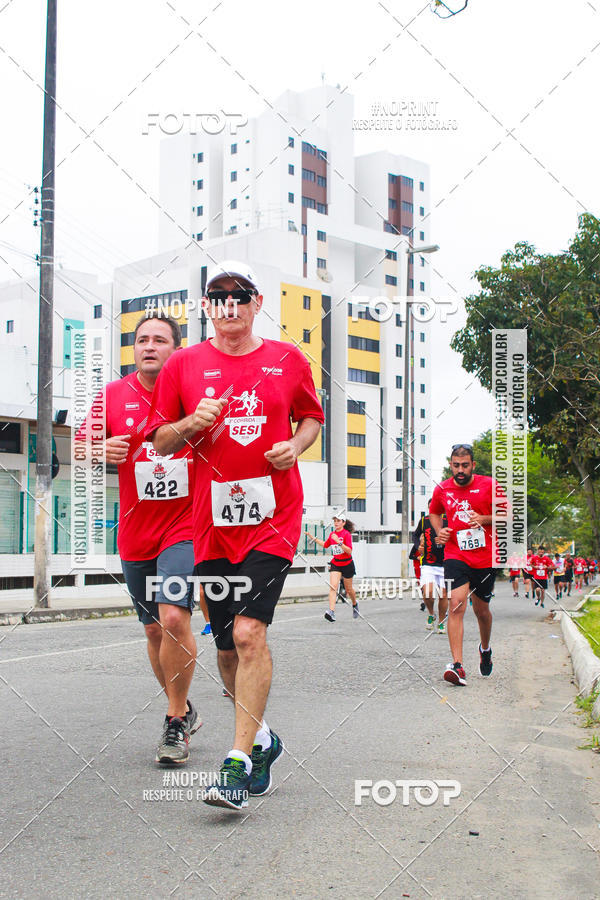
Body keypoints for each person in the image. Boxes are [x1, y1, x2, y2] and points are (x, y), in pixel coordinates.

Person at [147, 260, 324, 810]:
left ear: (256, 302)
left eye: (240, 294)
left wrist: (294, 448)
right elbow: (159, 443)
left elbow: (311, 418)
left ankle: (237, 762)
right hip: (211, 524)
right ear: (206, 306)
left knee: (250, 634)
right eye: (218, 295)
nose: (229, 304)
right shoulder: (184, 365)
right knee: (226, 647)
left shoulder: (286, 359)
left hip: (273, 518)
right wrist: (189, 426)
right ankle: (264, 739)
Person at [79, 313, 201, 765]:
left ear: (176, 348)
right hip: (135, 529)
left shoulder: (190, 392)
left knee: (173, 618)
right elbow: (77, 446)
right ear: (134, 349)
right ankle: (185, 707)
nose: (150, 346)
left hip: (184, 526)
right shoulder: (112, 395)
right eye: (142, 340)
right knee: (153, 629)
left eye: (160, 339)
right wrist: (98, 449)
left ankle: (173, 721)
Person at [429, 443, 505, 686]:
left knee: (481, 611)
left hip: (485, 557)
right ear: (450, 465)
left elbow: (509, 514)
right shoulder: (443, 488)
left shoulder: (489, 485)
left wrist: (485, 518)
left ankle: (485, 649)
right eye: (455, 465)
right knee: (456, 605)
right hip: (455, 554)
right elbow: (434, 512)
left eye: (464, 465)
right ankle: (458, 665)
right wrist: (440, 531)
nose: (460, 470)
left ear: (473, 465)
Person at [308, 514, 359, 621]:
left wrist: (339, 542)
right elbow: (326, 545)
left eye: (338, 521)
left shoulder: (346, 535)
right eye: (335, 521)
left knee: (349, 590)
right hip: (336, 563)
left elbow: (349, 551)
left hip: (347, 564)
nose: (336, 523)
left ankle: (355, 604)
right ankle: (331, 612)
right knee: (333, 587)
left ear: (343, 523)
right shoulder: (332, 534)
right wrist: (314, 538)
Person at [412, 507, 448, 634]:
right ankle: (431, 614)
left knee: (443, 595)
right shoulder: (424, 520)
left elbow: (457, 537)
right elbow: (415, 535)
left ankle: (442, 622)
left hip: (445, 563)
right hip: (428, 563)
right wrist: (418, 547)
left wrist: (446, 540)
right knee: (427, 593)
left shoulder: (448, 519)